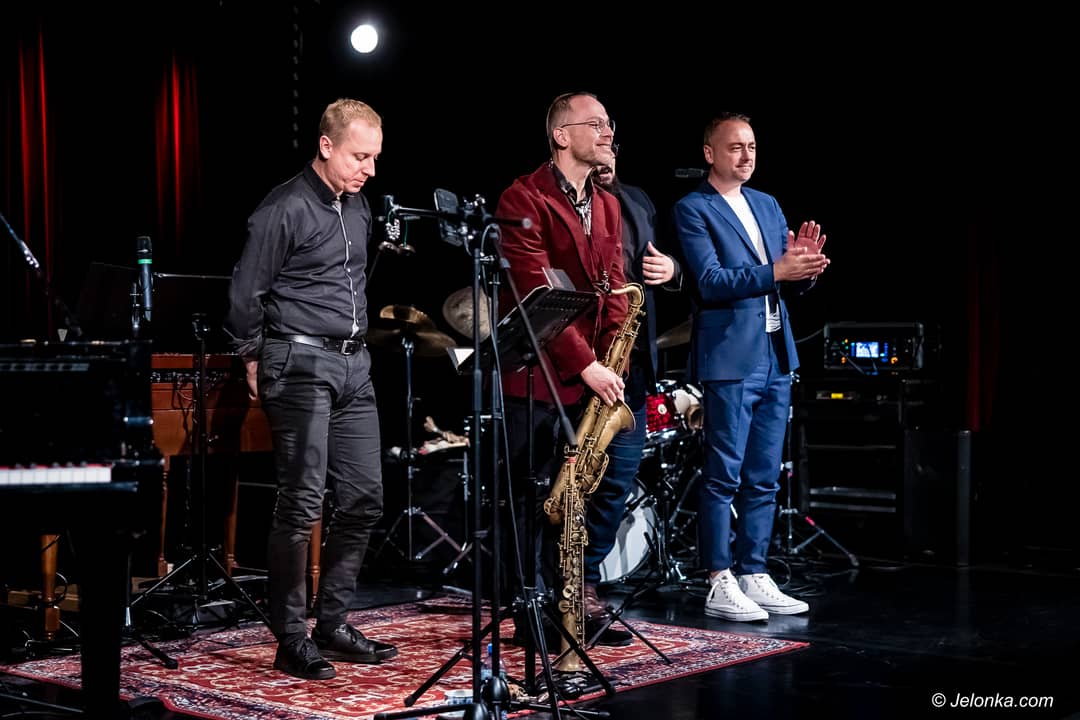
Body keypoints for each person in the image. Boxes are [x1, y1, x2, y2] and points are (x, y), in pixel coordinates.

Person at [224, 97, 398, 679]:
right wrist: (252, 356)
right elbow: (245, 293)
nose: (368, 169)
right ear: (326, 146)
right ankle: (291, 636)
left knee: (365, 497)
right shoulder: (284, 208)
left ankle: (334, 623)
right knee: (301, 501)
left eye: (374, 158)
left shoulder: (359, 205)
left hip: (353, 364)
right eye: (359, 156)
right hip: (298, 361)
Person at [673, 112, 829, 622]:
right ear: (709, 153)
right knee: (723, 474)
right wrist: (777, 270)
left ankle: (753, 571)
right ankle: (718, 577)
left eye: (753, 147)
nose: (746, 156)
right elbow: (710, 282)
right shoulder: (693, 208)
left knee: (764, 474)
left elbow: (784, 282)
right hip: (730, 357)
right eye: (735, 147)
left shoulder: (767, 203)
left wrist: (802, 268)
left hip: (775, 353)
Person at [494, 91, 629, 648]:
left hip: (592, 374)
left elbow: (614, 286)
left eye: (608, 123)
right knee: (533, 500)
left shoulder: (608, 204)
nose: (607, 132)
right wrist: (589, 364)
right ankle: (530, 611)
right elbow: (536, 293)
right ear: (561, 135)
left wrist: (614, 357)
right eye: (595, 124)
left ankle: (573, 602)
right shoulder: (522, 197)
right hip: (536, 375)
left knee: (585, 494)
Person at [584, 156, 682, 642]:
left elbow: (668, 263)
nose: (605, 155)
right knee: (566, 488)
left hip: (633, 364)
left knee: (616, 484)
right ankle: (546, 594)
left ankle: (584, 585)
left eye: (611, 142)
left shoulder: (638, 200)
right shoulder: (560, 201)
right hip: (583, 363)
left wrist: (672, 269)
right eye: (596, 138)